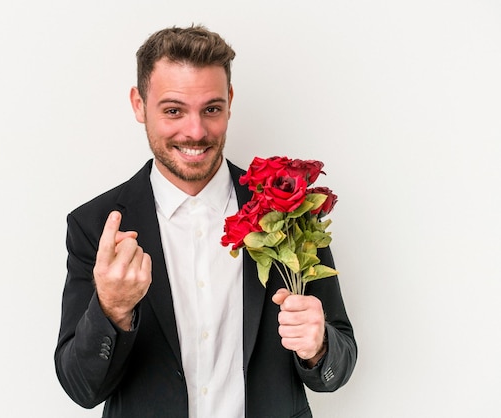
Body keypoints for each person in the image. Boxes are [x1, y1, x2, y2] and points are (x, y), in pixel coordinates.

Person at [55, 25, 357, 418]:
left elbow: (339, 363)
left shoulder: (288, 211)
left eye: (211, 109)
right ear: (138, 104)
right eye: (173, 110)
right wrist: (111, 309)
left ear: (229, 102)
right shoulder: (93, 225)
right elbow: (82, 388)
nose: (195, 132)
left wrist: (318, 347)